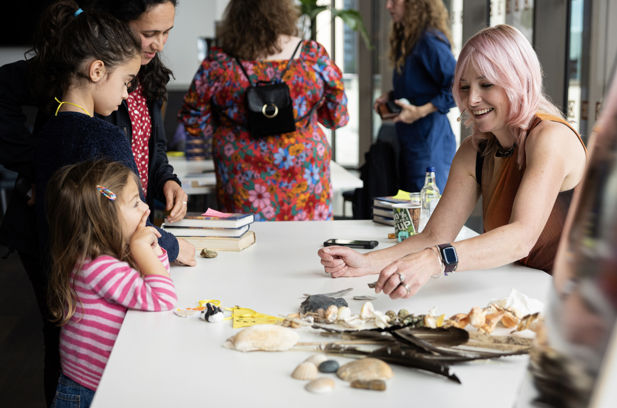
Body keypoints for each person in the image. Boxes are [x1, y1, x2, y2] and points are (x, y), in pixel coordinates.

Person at [318, 25, 587, 299]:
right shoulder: (475, 150)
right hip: (528, 292)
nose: (471, 99)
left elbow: (521, 239)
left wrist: (435, 259)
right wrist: (367, 262)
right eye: (464, 86)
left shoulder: (551, 137)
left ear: (518, 81)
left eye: (486, 84)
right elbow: (434, 236)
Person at [178, 0, 349, 221]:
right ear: (285, 12)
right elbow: (338, 117)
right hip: (305, 170)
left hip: (242, 172)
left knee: (247, 241)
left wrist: (229, 120)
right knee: (308, 242)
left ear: (236, 15)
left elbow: (194, 125)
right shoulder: (312, 56)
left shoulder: (219, 63)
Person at [46, 159, 177, 407]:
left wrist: (151, 249)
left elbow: (159, 278)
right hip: (87, 393)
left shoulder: (109, 253)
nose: (146, 208)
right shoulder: (98, 266)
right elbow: (163, 297)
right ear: (106, 219)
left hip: (99, 382)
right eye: (136, 203)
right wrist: (140, 246)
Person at [91, 0, 189, 225]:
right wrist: (31, 176)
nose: (160, 45)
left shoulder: (149, 75)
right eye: (150, 33)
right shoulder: (89, 76)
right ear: (118, 24)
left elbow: (151, 150)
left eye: (166, 32)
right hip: (104, 228)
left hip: (135, 224)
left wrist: (167, 181)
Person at [375, 0, 457, 192]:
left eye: (394, 1)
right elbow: (419, 87)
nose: (388, 6)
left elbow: (458, 86)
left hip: (429, 140)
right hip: (410, 139)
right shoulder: (409, 39)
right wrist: (392, 96)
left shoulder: (429, 41)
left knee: (425, 207)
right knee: (411, 206)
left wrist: (421, 111)